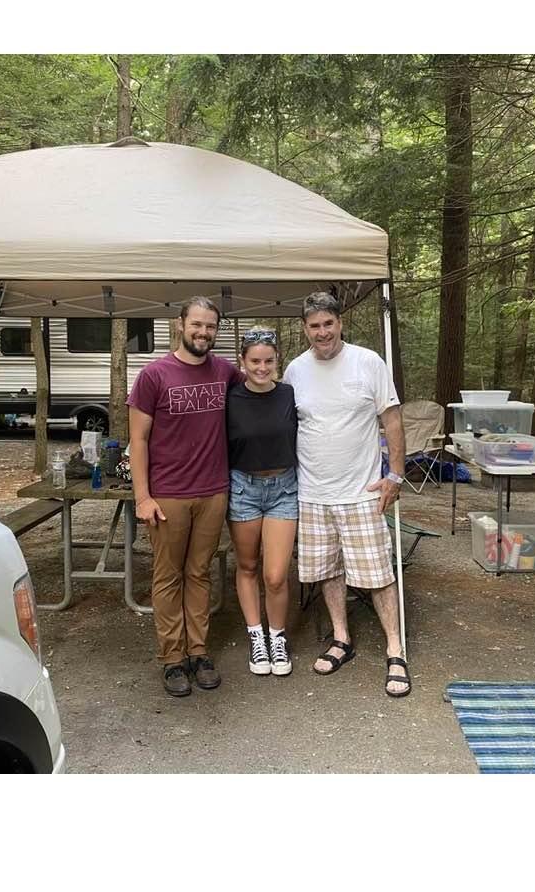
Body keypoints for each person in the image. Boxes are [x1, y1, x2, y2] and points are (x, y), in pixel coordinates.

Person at [283, 291, 411, 698]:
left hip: (362, 491)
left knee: (378, 574)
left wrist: (395, 475)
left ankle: (395, 649)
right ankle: (341, 638)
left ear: (340, 323)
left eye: (328, 323)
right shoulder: (295, 370)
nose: (322, 332)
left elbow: (392, 420)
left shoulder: (368, 362)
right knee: (328, 571)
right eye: (314, 326)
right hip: (313, 492)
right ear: (305, 328)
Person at [128, 296, 244, 697]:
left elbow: (257, 389)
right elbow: (138, 440)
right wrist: (143, 497)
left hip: (213, 491)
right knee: (168, 576)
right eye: (196, 324)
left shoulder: (225, 372)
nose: (203, 332)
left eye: (210, 326)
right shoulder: (154, 375)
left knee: (199, 573)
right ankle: (172, 658)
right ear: (180, 324)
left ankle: (198, 651)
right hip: (168, 495)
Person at [226, 328, 298, 677]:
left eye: (268, 360)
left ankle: (277, 636)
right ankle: (256, 635)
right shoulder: (231, 398)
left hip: (284, 488)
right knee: (248, 566)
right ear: (242, 361)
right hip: (243, 488)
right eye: (255, 360)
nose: (261, 367)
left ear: (277, 361)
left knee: (276, 575)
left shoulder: (288, 395)